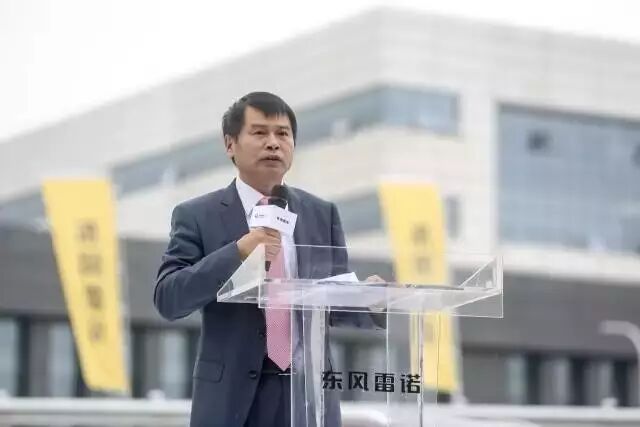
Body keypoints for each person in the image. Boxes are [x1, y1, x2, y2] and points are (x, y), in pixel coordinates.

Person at [154, 92, 381, 427]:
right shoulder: (197, 215)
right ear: (230, 144)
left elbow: (331, 302)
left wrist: (371, 301)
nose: (273, 143)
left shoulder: (321, 213)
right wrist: (238, 251)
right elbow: (169, 298)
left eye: (283, 134)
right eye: (260, 133)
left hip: (307, 396)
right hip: (231, 398)